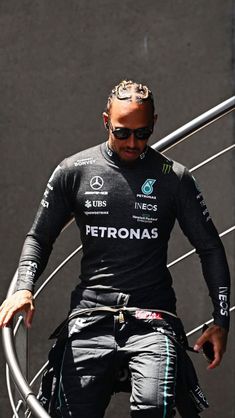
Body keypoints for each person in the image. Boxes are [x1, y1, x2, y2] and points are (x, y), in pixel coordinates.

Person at [0, 80, 230, 418]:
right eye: (122, 133)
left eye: (143, 133)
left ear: (154, 124)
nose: (133, 143)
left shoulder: (174, 177)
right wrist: (23, 288)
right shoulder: (73, 170)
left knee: (154, 407)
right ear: (105, 120)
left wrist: (221, 319)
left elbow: (210, 247)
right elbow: (39, 237)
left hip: (153, 322)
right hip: (89, 317)